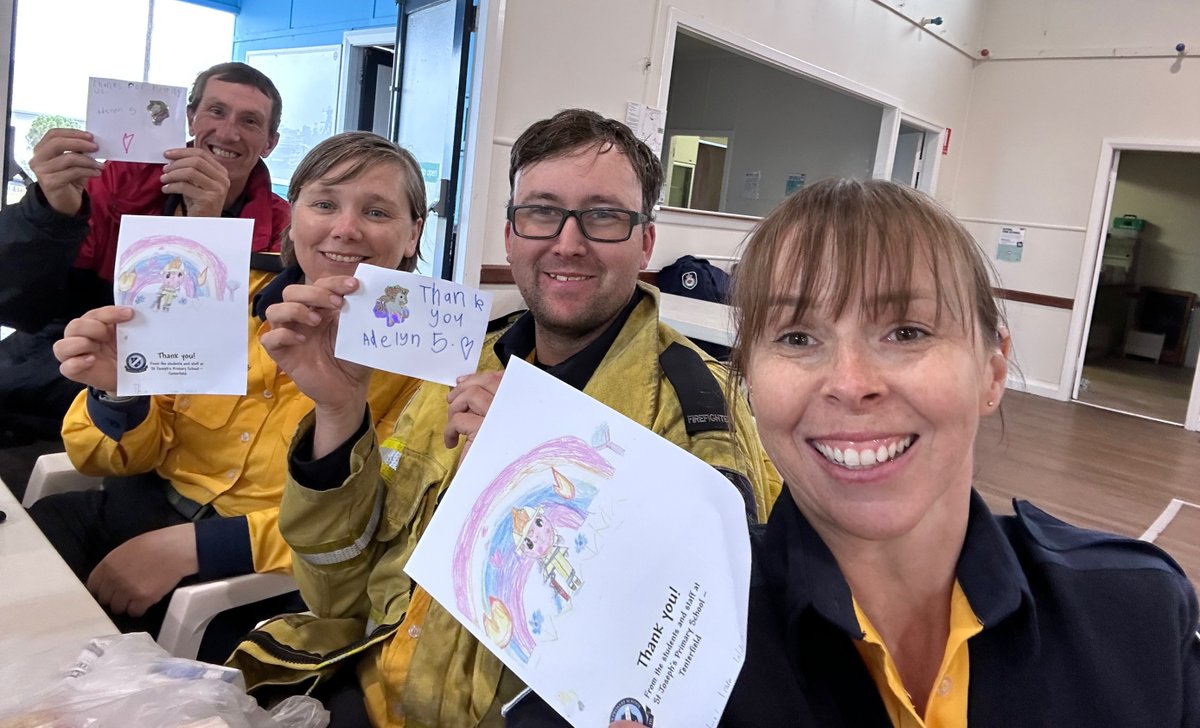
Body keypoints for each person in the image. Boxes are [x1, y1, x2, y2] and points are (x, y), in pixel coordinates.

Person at [509, 177, 1200, 728]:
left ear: (992, 370)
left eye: (906, 330)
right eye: (798, 338)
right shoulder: (644, 633)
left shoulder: (1135, 614)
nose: (851, 385)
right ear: (747, 379)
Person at [228, 108, 782, 726]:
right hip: (366, 689)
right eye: (542, 212)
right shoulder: (460, 361)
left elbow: (702, 667)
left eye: (603, 216)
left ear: (645, 241)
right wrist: (338, 413)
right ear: (511, 232)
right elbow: (338, 591)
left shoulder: (703, 409)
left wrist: (536, 469)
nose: (567, 242)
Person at [32, 132, 426, 657]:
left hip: (263, 579)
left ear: (412, 234)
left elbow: (383, 524)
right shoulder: (215, 294)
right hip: (134, 510)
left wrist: (198, 548)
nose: (345, 229)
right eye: (325, 203)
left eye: (377, 213)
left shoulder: (428, 362)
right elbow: (104, 454)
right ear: (294, 216)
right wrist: (121, 389)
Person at [0, 62, 290, 492]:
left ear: (269, 143)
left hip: (154, 391)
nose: (228, 133)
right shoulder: (120, 176)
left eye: (249, 121)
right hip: (64, 346)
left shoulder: (283, 230)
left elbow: (211, 359)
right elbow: (23, 304)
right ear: (189, 118)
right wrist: (49, 211)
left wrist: (205, 232)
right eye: (216, 111)